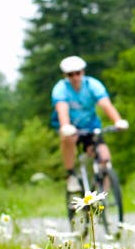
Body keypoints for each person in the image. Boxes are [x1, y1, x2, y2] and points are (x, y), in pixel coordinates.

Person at [51, 55, 129, 192]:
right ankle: (70, 175)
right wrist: (65, 126)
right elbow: (62, 109)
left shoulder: (93, 85)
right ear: (65, 75)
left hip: (90, 125)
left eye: (78, 73)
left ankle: (102, 197)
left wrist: (118, 121)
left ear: (83, 72)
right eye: (71, 74)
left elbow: (105, 104)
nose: (75, 77)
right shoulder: (61, 89)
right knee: (68, 138)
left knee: (104, 158)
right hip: (70, 126)